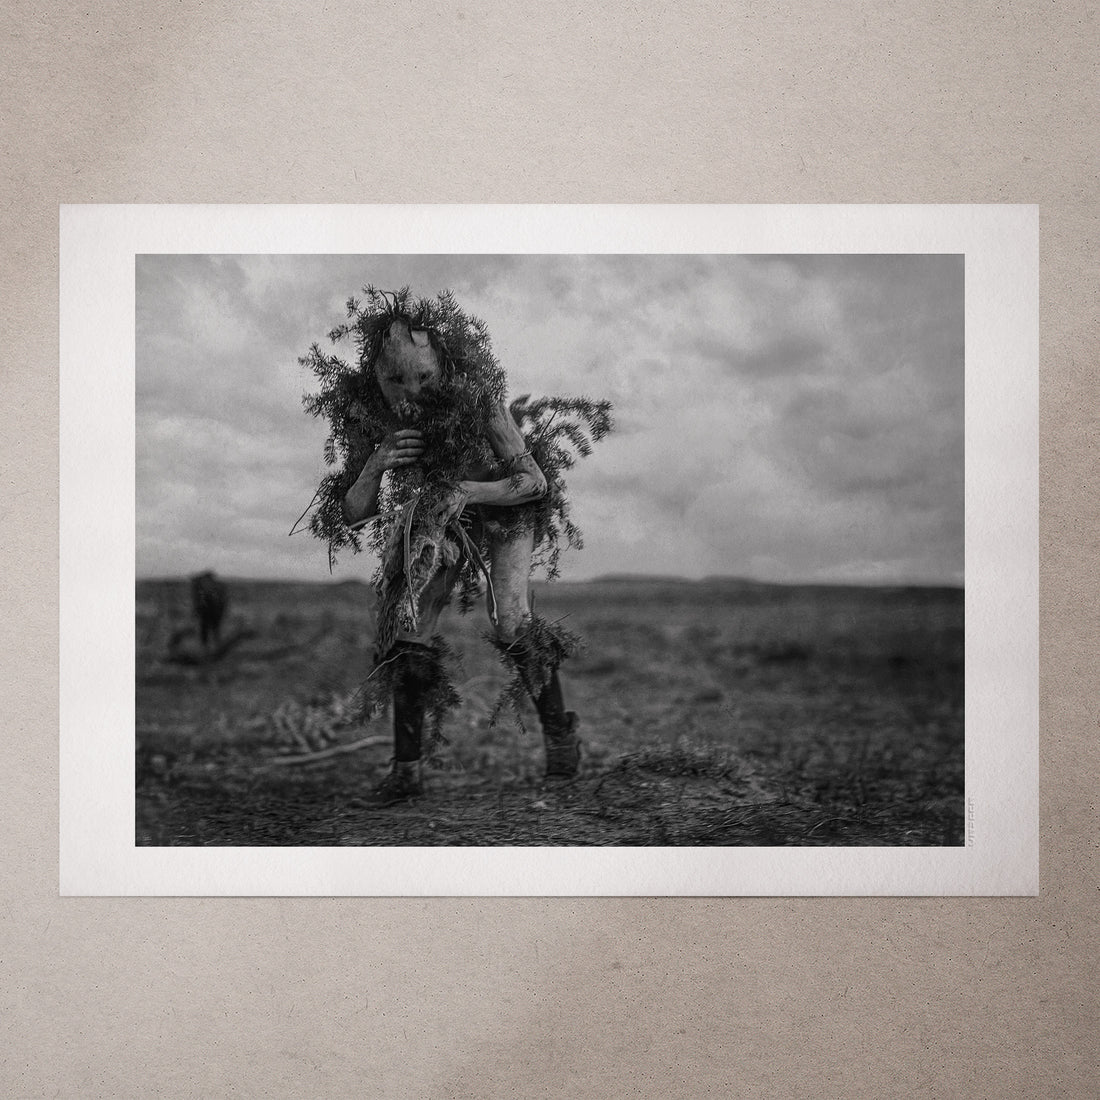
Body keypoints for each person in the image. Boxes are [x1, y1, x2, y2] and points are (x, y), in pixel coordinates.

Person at [340, 317, 581, 803]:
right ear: (376, 374)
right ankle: (406, 772)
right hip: (445, 511)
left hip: (503, 504)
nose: (410, 395)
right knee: (407, 623)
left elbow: (533, 481)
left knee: (512, 619)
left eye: (424, 380)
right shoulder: (367, 414)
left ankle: (560, 735)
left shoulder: (478, 398)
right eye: (396, 381)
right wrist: (375, 463)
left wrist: (467, 490)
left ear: (444, 367)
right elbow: (352, 514)